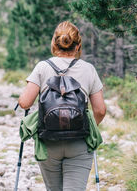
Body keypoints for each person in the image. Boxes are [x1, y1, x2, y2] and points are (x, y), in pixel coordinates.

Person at [18, 21, 106, 191]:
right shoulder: (88, 69)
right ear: (78, 45)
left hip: (48, 141)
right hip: (79, 142)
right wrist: (86, 126)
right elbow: (100, 110)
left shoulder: (42, 67)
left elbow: (25, 103)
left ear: (54, 43)